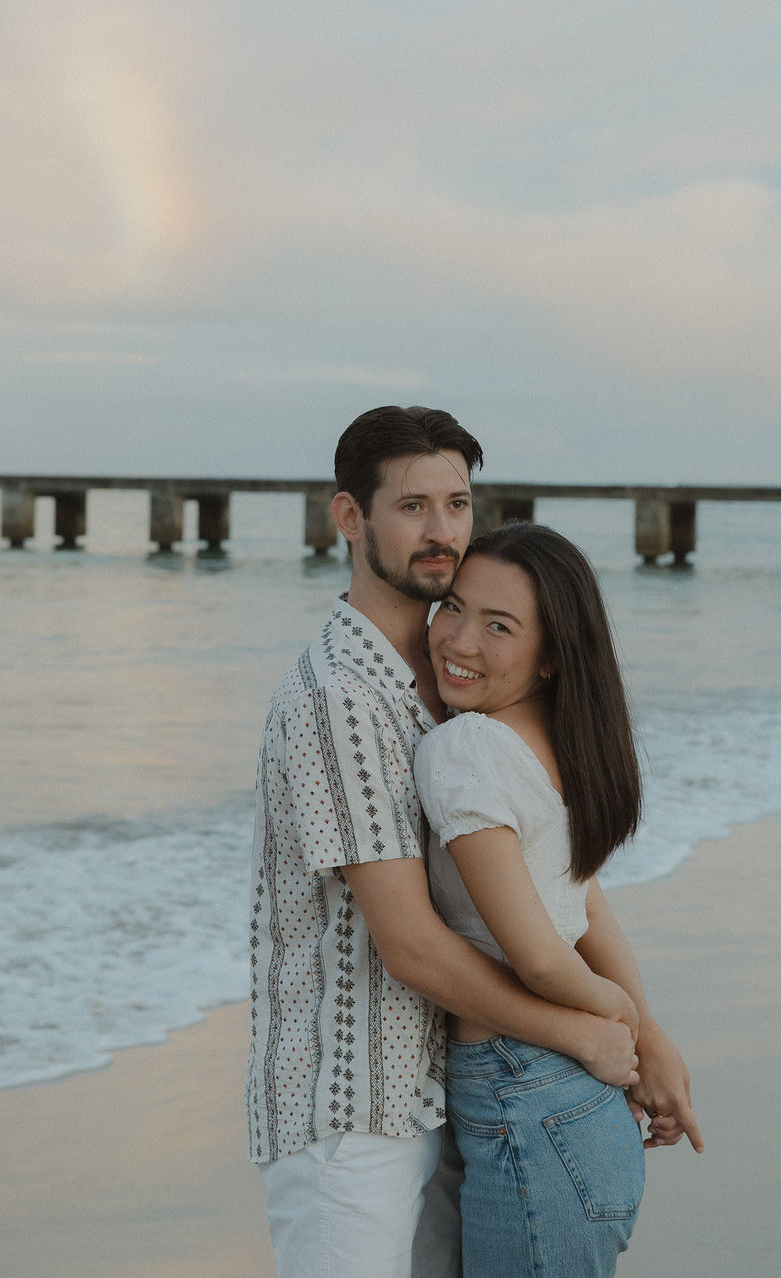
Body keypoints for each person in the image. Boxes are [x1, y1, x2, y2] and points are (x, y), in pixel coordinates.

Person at [245, 407, 645, 1278]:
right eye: (414, 506)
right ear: (350, 518)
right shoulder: (338, 697)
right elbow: (414, 947)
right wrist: (587, 1033)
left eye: (457, 504)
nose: (443, 534)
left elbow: (545, 867)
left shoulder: (448, 678)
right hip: (349, 1109)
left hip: (442, 1091)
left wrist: (648, 1034)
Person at [414, 522, 704, 1277]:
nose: (459, 640)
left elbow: (543, 959)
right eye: (452, 606)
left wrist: (625, 1019)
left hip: (527, 1104)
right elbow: (589, 911)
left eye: (498, 626)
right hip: (575, 1117)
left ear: (549, 659)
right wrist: (641, 1036)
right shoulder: (555, 744)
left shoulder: (466, 748)